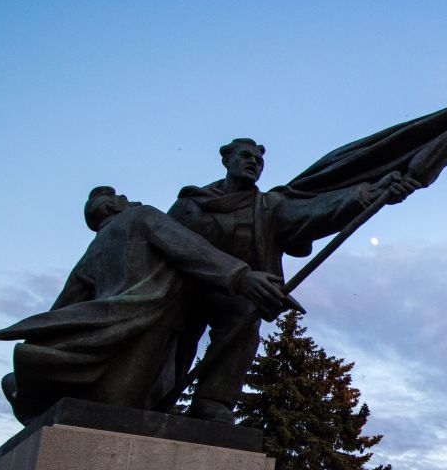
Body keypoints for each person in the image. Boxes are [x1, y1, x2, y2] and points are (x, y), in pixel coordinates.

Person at [0, 187, 291, 424]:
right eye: (122, 198)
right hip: (147, 340)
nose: (130, 200)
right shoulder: (141, 217)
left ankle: (24, 389)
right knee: (132, 410)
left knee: (119, 409)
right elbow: (190, 249)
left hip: (106, 348)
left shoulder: (91, 254)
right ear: (111, 206)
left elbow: (59, 313)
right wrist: (243, 277)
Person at [168, 138, 419, 423]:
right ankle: (154, 395)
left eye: (258, 160)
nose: (253, 163)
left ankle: (212, 402)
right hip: (179, 289)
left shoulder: (267, 206)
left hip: (233, 293)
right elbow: (168, 246)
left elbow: (315, 210)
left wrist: (370, 193)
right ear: (227, 160)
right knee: (171, 349)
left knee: (242, 316)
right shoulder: (191, 205)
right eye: (246, 156)